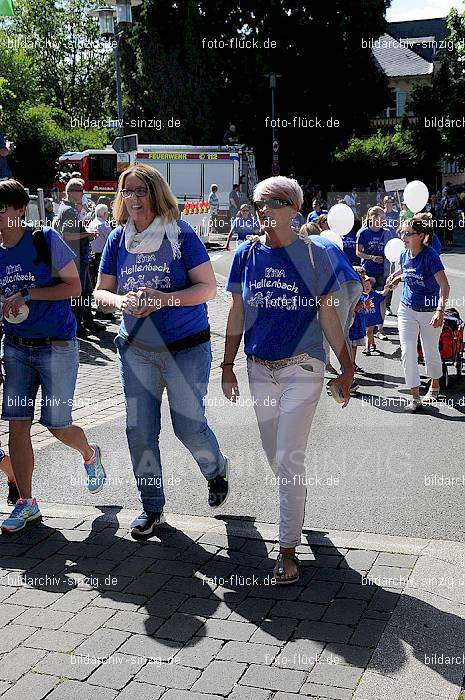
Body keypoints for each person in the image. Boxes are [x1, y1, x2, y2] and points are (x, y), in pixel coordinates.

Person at [222, 176, 354, 584]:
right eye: (260, 203)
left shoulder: (315, 257)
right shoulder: (246, 254)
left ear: (294, 209)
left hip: (304, 366)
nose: (265, 210)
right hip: (259, 367)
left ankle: (287, 549)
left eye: (275, 203)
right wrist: (226, 365)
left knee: (289, 456)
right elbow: (237, 312)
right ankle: (294, 505)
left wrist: (347, 367)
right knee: (278, 459)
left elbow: (330, 315)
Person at [94, 164, 228, 539]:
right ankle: (151, 508)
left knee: (188, 427)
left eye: (140, 191)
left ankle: (216, 469)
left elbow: (207, 289)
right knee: (139, 430)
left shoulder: (180, 233)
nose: (133, 199)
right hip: (136, 349)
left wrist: (164, 300)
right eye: (127, 192)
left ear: (155, 194)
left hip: (185, 347)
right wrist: (121, 301)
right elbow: (100, 291)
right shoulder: (119, 239)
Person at [0, 179, 105, 534]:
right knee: (17, 424)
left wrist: (28, 294)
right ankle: (26, 503)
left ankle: (89, 452)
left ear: (17, 210)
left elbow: (74, 287)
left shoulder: (44, 239)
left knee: (57, 424)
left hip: (57, 345)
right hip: (15, 347)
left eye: (1, 209)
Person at [387, 214, 450, 412]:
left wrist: (440, 310)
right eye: (401, 232)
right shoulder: (404, 254)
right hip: (406, 309)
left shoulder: (430, 256)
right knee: (407, 351)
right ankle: (415, 397)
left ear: (421, 235)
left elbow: (444, 285)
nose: (403, 236)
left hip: (429, 311)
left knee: (430, 351)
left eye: (407, 233)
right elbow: (406, 270)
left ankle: (435, 385)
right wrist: (397, 277)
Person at [54, 178, 102, 337]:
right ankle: (77, 325)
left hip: (79, 257)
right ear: (72, 192)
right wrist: (87, 234)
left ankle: (87, 321)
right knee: (79, 293)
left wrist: (85, 234)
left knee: (86, 291)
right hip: (75, 258)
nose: (83, 194)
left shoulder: (67, 208)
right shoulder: (69, 211)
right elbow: (67, 235)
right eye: (81, 191)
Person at [363, 277, 393, 355]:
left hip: (373, 317)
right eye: (364, 285)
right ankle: (373, 344)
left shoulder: (375, 294)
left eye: (368, 285)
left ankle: (367, 348)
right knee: (369, 332)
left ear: (371, 286)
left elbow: (383, 293)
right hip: (364, 318)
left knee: (368, 332)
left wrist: (386, 288)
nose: (366, 287)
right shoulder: (360, 295)